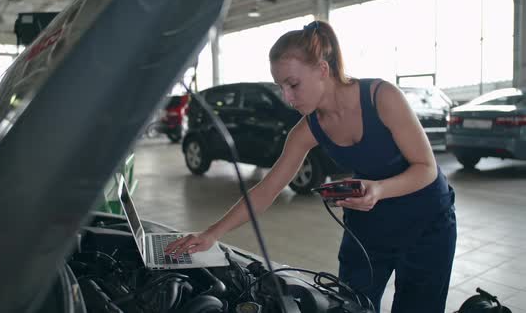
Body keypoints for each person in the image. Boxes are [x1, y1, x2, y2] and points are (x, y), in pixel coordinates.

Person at [165, 20, 456, 313]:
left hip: (426, 221)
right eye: (281, 87)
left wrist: (379, 189)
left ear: (322, 69)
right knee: (350, 306)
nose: (287, 97)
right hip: (369, 223)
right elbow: (267, 189)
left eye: (293, 84)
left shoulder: (382, 97)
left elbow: (426, 168)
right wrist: (212, 234)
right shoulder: (307, 130)